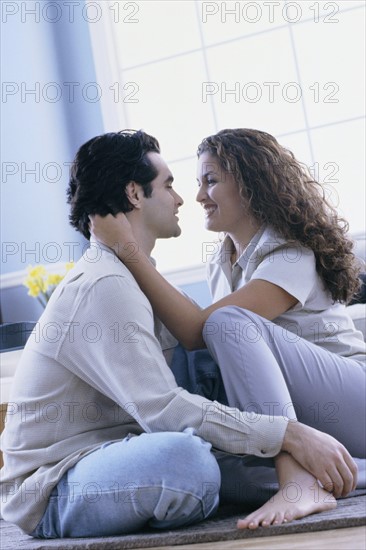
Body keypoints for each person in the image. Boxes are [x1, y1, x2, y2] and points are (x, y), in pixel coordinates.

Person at [89, 128, 365, 530]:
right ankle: (338, 472)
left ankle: (297, 480)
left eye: (211, 181)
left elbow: (200, 330)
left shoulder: (291, 252)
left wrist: (129, 251)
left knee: (226, 324)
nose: (198, 195)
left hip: (354, 403)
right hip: (317, 429)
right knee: (217, 476)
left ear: (253, 185)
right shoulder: (219, 265)